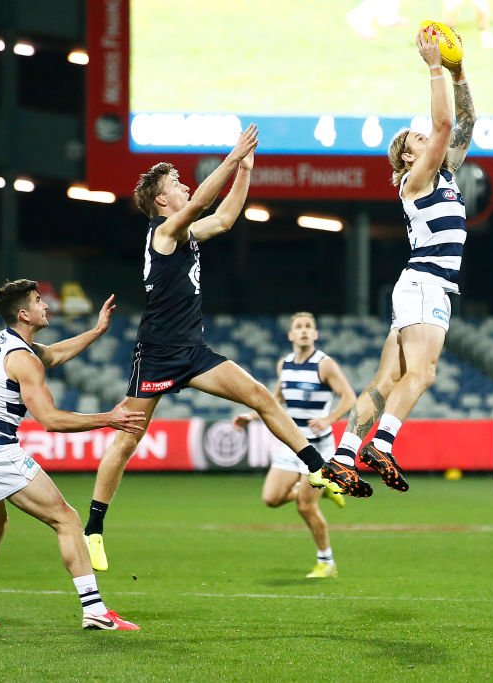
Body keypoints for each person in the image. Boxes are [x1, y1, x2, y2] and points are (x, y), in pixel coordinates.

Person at [83, 124, 341, 571]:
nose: (183, 186)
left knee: (260, 395)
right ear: (162, 201)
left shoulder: (184, 233)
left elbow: (223, 219)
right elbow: (204, 202)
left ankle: (318, 467)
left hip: (193, 352)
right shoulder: (164, 232)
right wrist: (232, 155)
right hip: (158, 352)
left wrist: (246, 169)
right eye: (175, 184)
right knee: (127, 441)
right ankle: (93, 530)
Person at [320, 27, 476, 497]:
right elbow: (446, 126)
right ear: (407, 156)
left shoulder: (442, 172)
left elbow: (463, 121)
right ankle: (381, 444)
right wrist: (433, 68)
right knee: (422, 374)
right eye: (418, 139)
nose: (429, 137)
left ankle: (343, 457)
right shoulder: (418, 177)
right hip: (428, 284)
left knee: (387, 379)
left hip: (417, 285)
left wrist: (459, 71)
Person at [0, 279, 144, 630]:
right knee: (67, 519)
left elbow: (53, 354)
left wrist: (97, 330)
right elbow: (51, 420)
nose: (46, 305)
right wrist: (109, 418)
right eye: (39, 301)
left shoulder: (2, 342)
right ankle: (95, 611)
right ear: (24, 313)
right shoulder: (23, 359)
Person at [233, 312, 356, 578]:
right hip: (292, 445)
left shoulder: (325, 365)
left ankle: (327, 562)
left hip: (318, 448)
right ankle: (322, 490)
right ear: (290, 335)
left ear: (315, 334)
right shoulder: (285, 364)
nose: (303, 331)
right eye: (298, 327)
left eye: (308, 327)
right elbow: (275, 401)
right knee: (271, 498)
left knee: (305, 506)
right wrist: (251, 416)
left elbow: (349, 397)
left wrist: (329, 419)